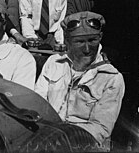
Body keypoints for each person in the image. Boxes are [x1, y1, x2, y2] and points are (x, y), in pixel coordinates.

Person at [35, 11, 125, 150]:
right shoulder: (54, 63)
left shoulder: (111, 77)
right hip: (46, 138)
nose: (87, 49)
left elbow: (100, 128)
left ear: (100, 37)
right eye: (80, 42)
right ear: (67, 40)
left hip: (85, 145)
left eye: (92, 40)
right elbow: (37, 104)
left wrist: (60, 138)